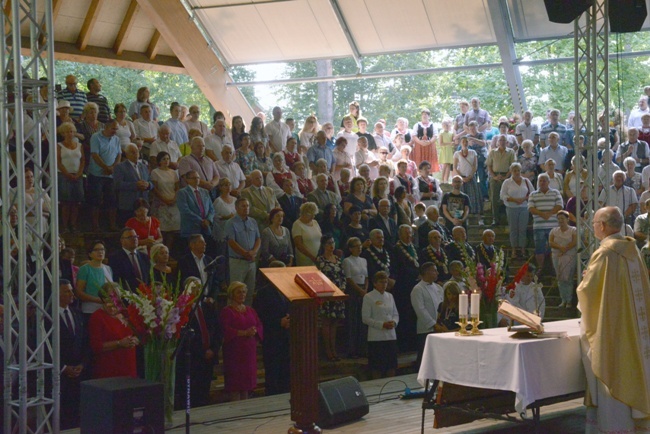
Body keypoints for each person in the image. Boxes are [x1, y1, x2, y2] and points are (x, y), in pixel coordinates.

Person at [577, 206, 650, 433]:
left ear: (603, 226)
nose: (595, 227)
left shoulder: (606, 253)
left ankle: (615, 427)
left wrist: (584, 280)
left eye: (596, 223)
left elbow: (588, 293)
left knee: (612, 368)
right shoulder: (633, 250)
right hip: (636, 330)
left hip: (613, 330)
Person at [175, 278, 221, 408]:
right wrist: (201, 351)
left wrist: (213, 349)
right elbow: (182, 335)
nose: (196, 291)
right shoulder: (182, 310)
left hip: (209, 355)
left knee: (204, 388)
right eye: (193, 288)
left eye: (198, 288)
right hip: (193, 356)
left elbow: (217, 330)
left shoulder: (208, 307)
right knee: (191, 391)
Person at [220, 282, 263, 401]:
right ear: (232, 294)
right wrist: (243, 333)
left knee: (246, 385)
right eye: (239, 292)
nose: (242, 294)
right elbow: (225, 329)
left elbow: (259, 324)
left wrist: (255, 331)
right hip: (234, 351)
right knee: (236, 384)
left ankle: (246, 410)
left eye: (244, 292)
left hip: (249, 351)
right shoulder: (227, 311)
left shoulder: (250, 310)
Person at [252, 262, 290, 396]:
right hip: (272, 337)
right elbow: (260, 316)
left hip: (286, 336)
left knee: (286, 370)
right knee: (273, 371)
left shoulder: (288, 290)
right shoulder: (263, 293)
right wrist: (278, 322)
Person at [88, 283, 139, 379]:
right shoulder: (97, 317)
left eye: (117, 298)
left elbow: (139, 334)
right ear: (103, 299)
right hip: (109, 369)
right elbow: (96, 347)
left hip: (129, 366)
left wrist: (136, 340)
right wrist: (119, 343)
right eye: (109, 298)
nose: (113, 301)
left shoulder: (126, 313)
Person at [59, 279, 90, 429]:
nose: (72, 294)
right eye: (67, 291)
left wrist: (82, 364)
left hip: (78, 372)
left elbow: (85, 342)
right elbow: (45, 348)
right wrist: (63, 367)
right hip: (59, 375)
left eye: (71, 290)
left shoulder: (77, 313)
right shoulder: (47, 317)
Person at [362, 271, 399, 379]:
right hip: (376, 337)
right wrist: (381, 324)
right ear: (375, 283)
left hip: (391, 336)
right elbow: (365, 318)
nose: (384, 285)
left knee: (391, 365)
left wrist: (394, 322)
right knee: (377, 366)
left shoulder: (390, 296)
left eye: (386, 282)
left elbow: (395, 314)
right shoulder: (369, 297)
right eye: (381, 282)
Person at [225, 198, 261, 306]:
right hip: (238, 261)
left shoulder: (253, 221)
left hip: (251, 261)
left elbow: (258, 238)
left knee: (249, 292)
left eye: (247, 206)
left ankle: (246, 316)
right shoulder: (230, 223)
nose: (246, 208)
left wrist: (254, 252)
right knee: (236, 292)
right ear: (236, 208)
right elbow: (231, 242)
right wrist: (245, 253)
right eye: (243, 206)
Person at [88, 120, 121, 232]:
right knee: (95, 200)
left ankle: (112, 225)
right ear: (106, 127)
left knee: (112, 200)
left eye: (116, 129)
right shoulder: (95, 137)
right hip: (96, 174)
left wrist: (113, 167)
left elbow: (119, 155)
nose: (115, 131)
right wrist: (106, 167)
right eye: (113, 129)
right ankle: (95, 226)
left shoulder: (116, 139)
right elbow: (94, 154)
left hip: (110, 175)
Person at [528, 173, 564, 272]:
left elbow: (560, 206)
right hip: (539, 226)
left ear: (548, 182)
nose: (542, 182)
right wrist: (542, 214)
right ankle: (541, 268)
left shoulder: (556, 192)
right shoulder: (533, 194)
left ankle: (554, 268)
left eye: (544, 180)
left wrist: (549, 213)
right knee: (539, 248)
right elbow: (530, 208)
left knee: (554, 248)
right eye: (540, 180)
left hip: (553, 226)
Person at [392, 224, 419, 352]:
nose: (409, 236)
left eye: (410, 233)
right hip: (403, 288)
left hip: (415, 286)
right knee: (404, 315)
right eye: (406, 233)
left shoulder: (414, 248)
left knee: (414, 315)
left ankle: (413, 343)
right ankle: (404, 345)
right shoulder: (396, 249)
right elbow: (398, 268)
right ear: (400, 235)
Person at [411, 263, 443, 367]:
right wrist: (433, 324)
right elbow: (420, 310)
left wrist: (442, 323)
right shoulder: (418, 289)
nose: (437, 273)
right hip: (426, 328)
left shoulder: (438, 287)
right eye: (434, 270)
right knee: (425, 356)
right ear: (426, 272)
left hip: (440, 327)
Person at [113, 144, 153, 226]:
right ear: (127, 154)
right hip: (128, 204)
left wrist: (148, 185)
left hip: (143, 203)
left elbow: (151, 182)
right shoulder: (120, 167)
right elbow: (118, 184)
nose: (136, 154)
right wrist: (135, 185)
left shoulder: (144, 166)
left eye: (137, 152)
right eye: (132, 152)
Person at [500, 162, 534, 258]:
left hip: (524, 207)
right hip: (511, 208)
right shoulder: (507, 182)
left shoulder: (526, 181)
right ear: (511, 171)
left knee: (522, 229)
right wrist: (513, 199)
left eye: (518, 170)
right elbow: (502, 195)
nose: (517, 172)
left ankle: (522, 249)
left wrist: (523, 199)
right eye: (515, 170)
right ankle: (514, 250)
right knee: (513, 229)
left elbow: (532, 193)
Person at [57, 122, 84, 232]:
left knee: (76, 202)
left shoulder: (79, 145)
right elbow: (58, 162)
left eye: (72, 131)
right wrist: (67, 174)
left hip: (77, 175)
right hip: (64, 175)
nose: (70, 133)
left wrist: (79, 174)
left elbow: (83, 160)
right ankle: (65, 226)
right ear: (63, 133)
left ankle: (73, 224)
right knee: (66, 202)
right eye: (67, 131)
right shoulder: (59, 145)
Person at [150, 152, 181, 248]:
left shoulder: (173, 172)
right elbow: (155, 189)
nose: (166, 161)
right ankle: (160, 249)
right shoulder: (155, 172)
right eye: (163, 159)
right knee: (162, 229)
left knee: (172, 229)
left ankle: (168, 250)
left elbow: (177, 188)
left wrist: (174, 198)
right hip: (161, 202)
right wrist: (164, 199)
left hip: (172, 201)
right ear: (159, 160)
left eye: (168, 159)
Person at [75, 241, 113, 317]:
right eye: (96, 250)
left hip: (107, 310)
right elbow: (79, 292)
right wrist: (98, 300)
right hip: (90, 310)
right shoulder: (85, 269)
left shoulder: (108, 268)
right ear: (90, 254)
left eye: (102, 249)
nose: (100, 252)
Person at [177, 171, 215, 244]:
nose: (197, 180)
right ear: (187, 180)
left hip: (206, 228)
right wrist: (201, 221)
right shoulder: (182, 193)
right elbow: (185, 210)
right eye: (194, 178)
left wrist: (208, 220)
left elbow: (211, 209)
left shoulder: (205, 192)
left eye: (198, 177)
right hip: (191, 229)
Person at [108, 227, 151, 292]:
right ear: (122, 240)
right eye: (130, 237)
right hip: (127, 296)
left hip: (146, 296)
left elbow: (149, 277)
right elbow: (116, 279)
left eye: (136, 236)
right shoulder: (115, 258)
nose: (134, 239)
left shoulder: (144, 257)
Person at [549, 210, 577, 308]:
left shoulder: (573, 230)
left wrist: (565, 249)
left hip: (569, 256)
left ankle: (569, 300)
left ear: (567, 219)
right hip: (557, 256)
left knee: (568, 278)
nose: (561, 220)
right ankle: (563, 300)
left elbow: (574, 242)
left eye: (563, 218)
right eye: (559, 219)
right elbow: (551, 242)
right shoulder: (554, 231)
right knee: (560, 278)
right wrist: (560, 248)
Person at [487, 134, 516, 225]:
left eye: (504, 140)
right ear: (497, 142)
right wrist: (494, 176)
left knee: (508, 198)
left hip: (507, 176)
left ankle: (508, 218)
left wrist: (506, 177)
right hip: (495, 176)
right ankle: (495, 219)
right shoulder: (492, 152)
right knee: (494, 198)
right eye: (500, 140)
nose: (502, 142)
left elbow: (512, 166)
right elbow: (489, 165)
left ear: (507, 142)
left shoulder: (511, 152)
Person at [177, 235, 217, 299]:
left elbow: (215, 280)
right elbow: (184, 281)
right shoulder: (184, 261)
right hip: (193, 300)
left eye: (204, 242)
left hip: (209, 302)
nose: (205, 244)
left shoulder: (209, 260)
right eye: (201, 242)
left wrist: (212, 297)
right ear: (192, 245)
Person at [454, 137, 482, 219]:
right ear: (460, 143)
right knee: (461, 195)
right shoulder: (457, 153)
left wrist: (470, 175)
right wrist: (461, 177)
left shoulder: (473, 152)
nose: (465, 143)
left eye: (466, 141)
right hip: (461, 178)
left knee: (472, 194)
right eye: (463, 141)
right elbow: (455, 167)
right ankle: (461, 212)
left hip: (471, 176)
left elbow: (475, 165)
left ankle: (473, 211)